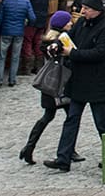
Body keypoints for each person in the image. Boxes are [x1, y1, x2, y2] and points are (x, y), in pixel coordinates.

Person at [44, 0, 105, 171]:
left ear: (96, 10)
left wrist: (72, 54)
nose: (82, 11)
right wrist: (57, 45)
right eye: (83, 8)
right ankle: (63, 158)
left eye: (86, 8)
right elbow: (68, 37)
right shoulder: (82, 23)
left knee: (102, 123)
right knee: (71, 119)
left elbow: (99, 53)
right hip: (77, 81)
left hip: (96, 82)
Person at [19, 11, 73, 165]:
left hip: (50, 85)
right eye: (68, 22)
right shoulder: (58, 41)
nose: (71, 24)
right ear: (62, 24)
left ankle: (29, 147)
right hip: (60, 84)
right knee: (70, 118)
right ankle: (68, 150)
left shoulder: (49, 40)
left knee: (49, 117)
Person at [0, 0, 35, 88]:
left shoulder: (5, 2)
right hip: (19, 32)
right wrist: (26, 24)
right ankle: (12, 80)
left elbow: (0, 19)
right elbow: (33, 18)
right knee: (15, 57)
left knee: (1, 56)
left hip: (5, 32)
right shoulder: (26, 2)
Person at [23, 0, 52, 76]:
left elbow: (26, 0)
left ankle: (27, 68)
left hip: (32, 16)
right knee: (38, 41)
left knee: (28, 41)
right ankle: (39, 67)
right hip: (43, 16)